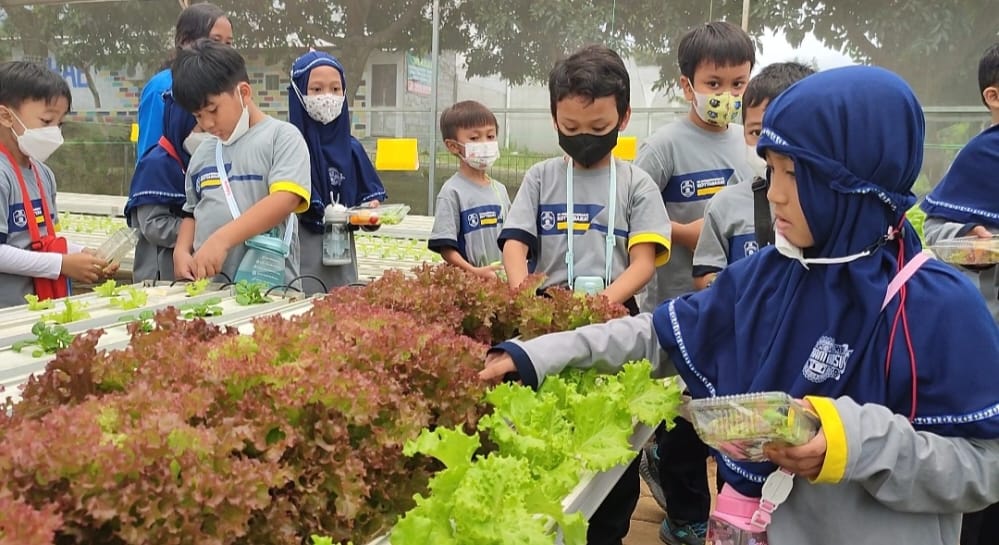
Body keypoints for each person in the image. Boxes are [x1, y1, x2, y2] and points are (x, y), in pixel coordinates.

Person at [482, 65, 999, 545]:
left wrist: (848, 443)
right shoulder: (768, 275)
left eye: (795, 174)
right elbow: (655, 334)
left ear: (856, 182)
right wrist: (534, 354)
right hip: (746, 524)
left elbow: (984, 466)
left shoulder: (934, 305)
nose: (773, 194)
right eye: (771, 169)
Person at [498, 44, 671, 545]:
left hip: (617, 324)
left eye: (598, 128)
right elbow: (515, 244)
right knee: (546, 437)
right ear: (554, 117)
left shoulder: (636, 184)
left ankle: (608, 532)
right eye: (570, 128)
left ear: (623, 118)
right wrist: (523, 295)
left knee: (612, 451)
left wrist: (599, 307)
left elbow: (643, 262)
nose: (584, 139)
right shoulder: (541, 178)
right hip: (546, 323)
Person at [633, 21, 756, 545]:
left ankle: (700, 491)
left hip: (733, 303)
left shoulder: (749, 145)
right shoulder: (664, 147)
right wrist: (703, 232)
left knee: (720, 416)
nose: (726, 95)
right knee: (684, 419)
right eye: (714, 84)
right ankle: (684, 514)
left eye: (737, 83)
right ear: (687, 85)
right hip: (677, 303)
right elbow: (638, 215)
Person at [919, 41, 999, 545]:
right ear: (994, 96)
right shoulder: (981, 156)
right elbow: (934, 231)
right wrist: (973, 239)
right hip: (990, 332)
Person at [171, 39, 310, 284]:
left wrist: (221, 240)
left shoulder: (282, 137)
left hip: (269, 289)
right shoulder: (203, 153)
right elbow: (191, 210)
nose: (207, 124)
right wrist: (181, 250)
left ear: (243, 92)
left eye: (213, 110)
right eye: (198, 116)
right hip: (212, 289)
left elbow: (285, 199)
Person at [692, 62, 815, 290]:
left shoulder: (832, 204)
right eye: (756, 132)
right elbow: (704, 274)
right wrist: (738, 294)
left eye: (780, 133)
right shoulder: (724, 205)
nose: (767, 146)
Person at [0, 61, 113, 308]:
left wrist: (82, 253)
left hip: (39, 307)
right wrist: (61, 264)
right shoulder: (2, 174)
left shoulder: (43, 174)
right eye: (46, 120)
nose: (54, 132)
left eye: (59, 124)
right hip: (7, 313)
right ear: (6, 116)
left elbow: (43, 239)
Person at [287, 50, 386, 293]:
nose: (327, 97)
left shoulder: (352, 149)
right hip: (296, 259)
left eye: (335, 89)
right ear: (298, 93)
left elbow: (366, 207)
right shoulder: (286, 148)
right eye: (316, 89)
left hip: (341, 264)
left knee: (340, 308)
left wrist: (369, 215)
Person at [125, 91, 209, 282]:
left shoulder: (198, 160)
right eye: (201, 129)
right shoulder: (156, 164)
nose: (208, 134)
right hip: (160, 274)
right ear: (181, 124)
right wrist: (203, 228)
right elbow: (153, 225)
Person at [135, 2, 232, 161]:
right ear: (186, 42)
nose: (224, 49)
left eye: (228, 43)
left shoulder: (229, 88)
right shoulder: (161, 88)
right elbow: (149, 154)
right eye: (215, 40)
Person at [429, 100, 511, 279]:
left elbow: (512, 239)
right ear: (453, 146)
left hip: (501, 280)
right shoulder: (452, 192)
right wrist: (475, 272)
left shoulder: (500, 190)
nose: (485, 143)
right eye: (474, 138)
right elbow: (446, 248)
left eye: (490, 136)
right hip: (469, 283)